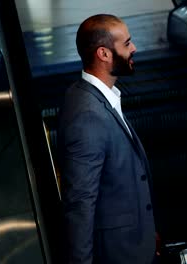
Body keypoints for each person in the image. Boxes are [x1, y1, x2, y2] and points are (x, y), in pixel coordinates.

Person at [57, 14, 158, 264]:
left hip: (134, 245)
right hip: (119, 255)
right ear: (104, 54)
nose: (133, 48)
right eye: (126, 43)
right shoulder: (88, 115)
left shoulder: (93, 96)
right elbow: (80, 203)